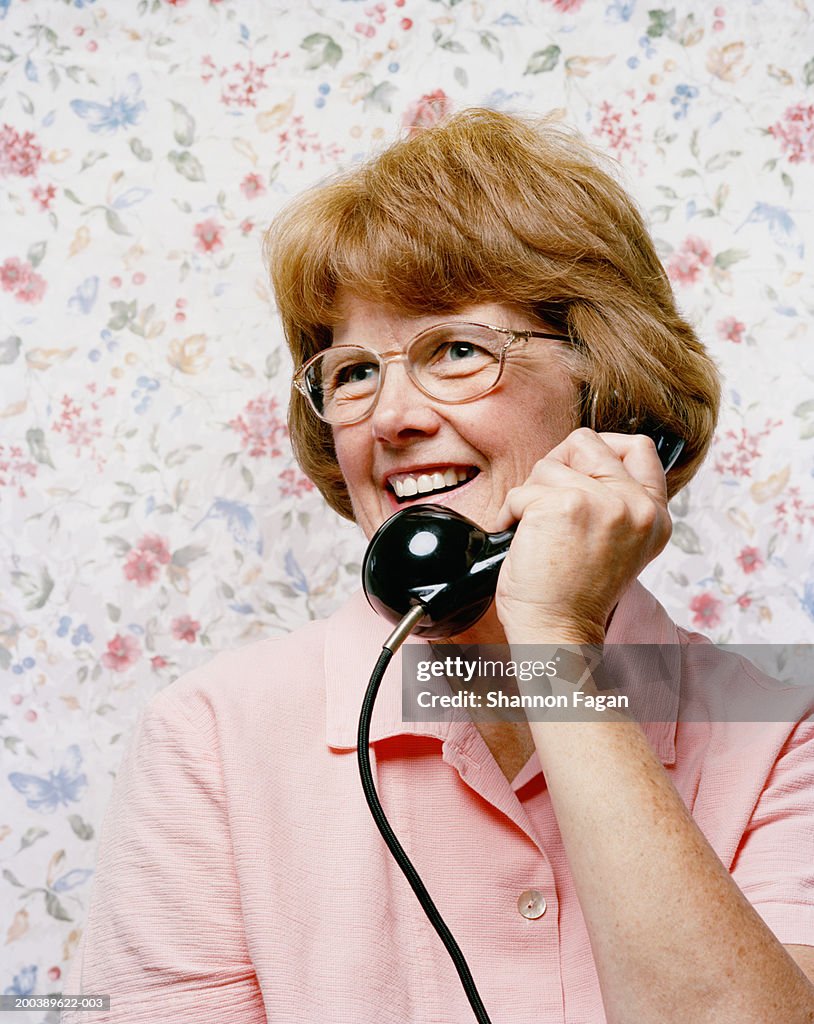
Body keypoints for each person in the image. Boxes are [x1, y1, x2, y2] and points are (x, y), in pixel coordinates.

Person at [62, 108, 814, 1023]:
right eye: (352, 373)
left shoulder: (780, 734)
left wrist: (554, 643)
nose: (390, 418)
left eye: (455, 351)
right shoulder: (211, 738)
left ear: (604, 379)